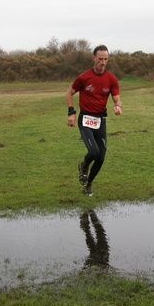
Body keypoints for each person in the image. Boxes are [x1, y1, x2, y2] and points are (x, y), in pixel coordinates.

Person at [65, 45, 122, 196]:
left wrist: (118, 106)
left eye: (106, 59)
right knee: (94, 151)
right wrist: (71, 113)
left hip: (100, 120)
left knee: (101, 157)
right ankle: (83, 166)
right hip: (85, 119)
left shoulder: (111, 78)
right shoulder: (84, 77)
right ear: (94, 58)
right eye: (100, 59)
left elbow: (117, 99)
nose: (103, 62)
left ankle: (88, 185)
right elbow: (69, 93)